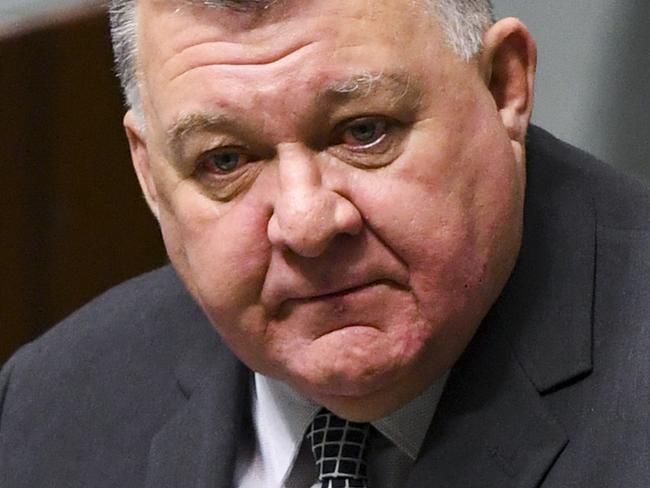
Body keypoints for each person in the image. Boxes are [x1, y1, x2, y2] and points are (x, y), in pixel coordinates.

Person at [1, 0, 649, 486]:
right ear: (149, 171)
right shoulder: (46, 410)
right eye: (225, 161)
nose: (308, 225)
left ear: (505, 86)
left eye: (363, 131)